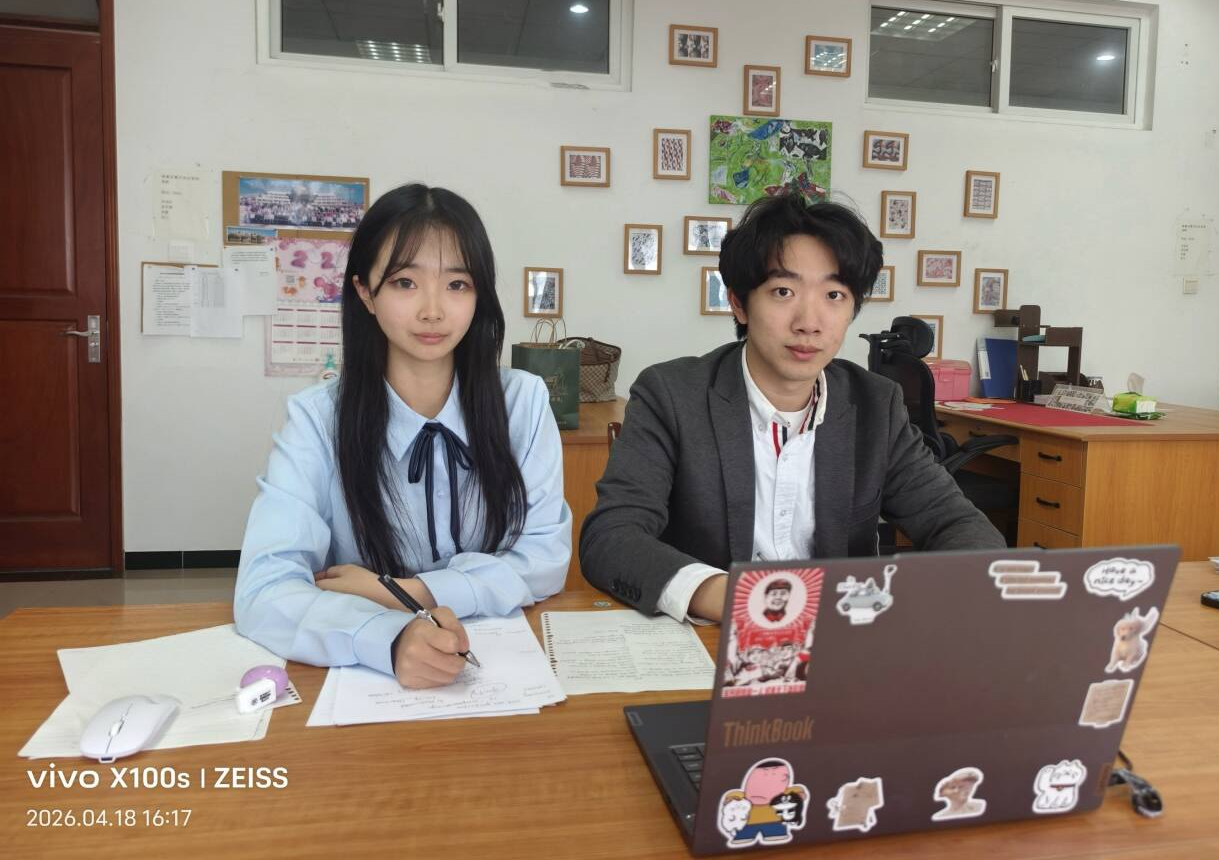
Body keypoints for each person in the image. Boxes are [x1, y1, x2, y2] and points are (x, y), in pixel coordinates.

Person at [579, 191, 1004, 623]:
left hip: (838, 641)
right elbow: (612, 537)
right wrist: (738, 599)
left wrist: (920, 597)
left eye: (834, 295)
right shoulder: (671, 396)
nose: (809, 322)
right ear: (739, 303)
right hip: (713, 638)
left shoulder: (876, 406)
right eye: (783, 291)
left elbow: (959, 525)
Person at [235, 184, 571, 688]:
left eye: (457, 284)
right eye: (405, 283)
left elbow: (545, 560)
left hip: (505, 668)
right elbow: (264, 590)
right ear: (365, 293)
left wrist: (407, 592)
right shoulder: (316, 420)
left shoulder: (521, 403)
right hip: (369, 682)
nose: (433, 310)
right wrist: (387, 637)